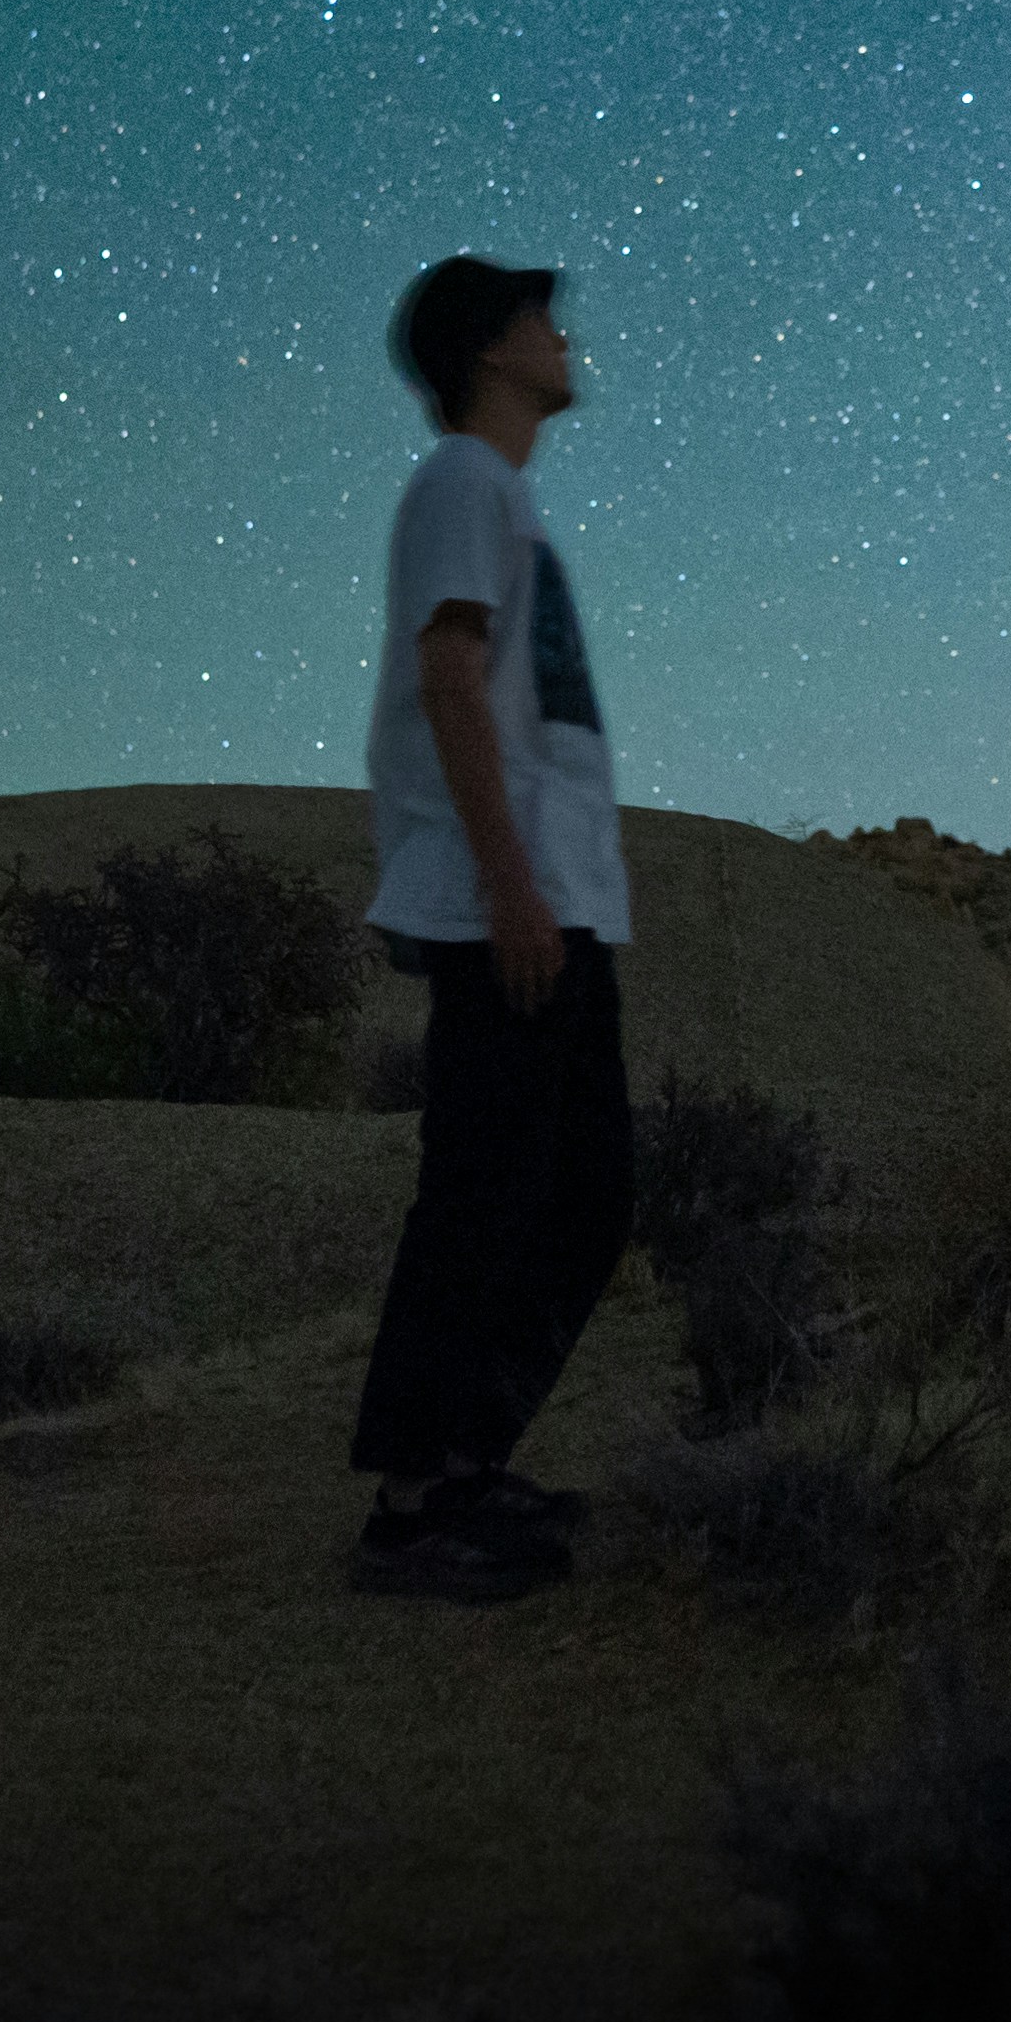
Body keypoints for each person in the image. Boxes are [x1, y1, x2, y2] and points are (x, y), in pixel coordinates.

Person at [342, 255, 638, 1601]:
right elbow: (450, 676)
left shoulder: (505, 501)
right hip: (504, 903)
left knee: (579, 1191)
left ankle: (464, 1460)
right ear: (489, 350)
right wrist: (511, 886)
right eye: (541, 321)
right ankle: (415, 1504)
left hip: (554, 902)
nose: (564, 336)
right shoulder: (463, 481)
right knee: (481, 1195)